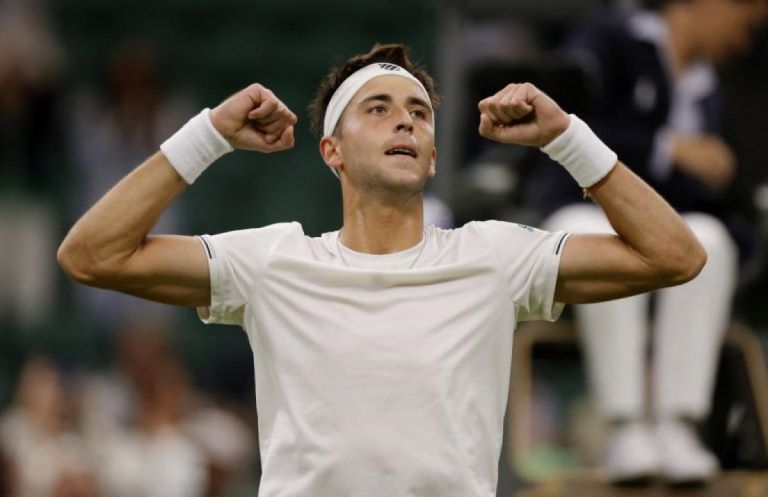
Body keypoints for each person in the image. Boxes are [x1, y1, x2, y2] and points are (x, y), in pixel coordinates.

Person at [57, 43, 706, 496]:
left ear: (429, 160)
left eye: (418, 112)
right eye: (379, 107)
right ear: (331, 151)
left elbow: (674, 254)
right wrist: (209, 135)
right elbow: (91, 254)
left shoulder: (494, 257)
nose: (405, 120)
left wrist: (568, 137)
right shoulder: (273, 261)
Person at [522, 0, 768, 485]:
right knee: (595, 233)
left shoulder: (713, 87)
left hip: (658, 228)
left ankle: (678, 424)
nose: (743, 41)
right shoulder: (607, 40)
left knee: (711, 240)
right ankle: (624, 424)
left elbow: (714, 192)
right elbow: (562, 118)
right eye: (744, 24)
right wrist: (668, 147)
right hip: (577, 209)